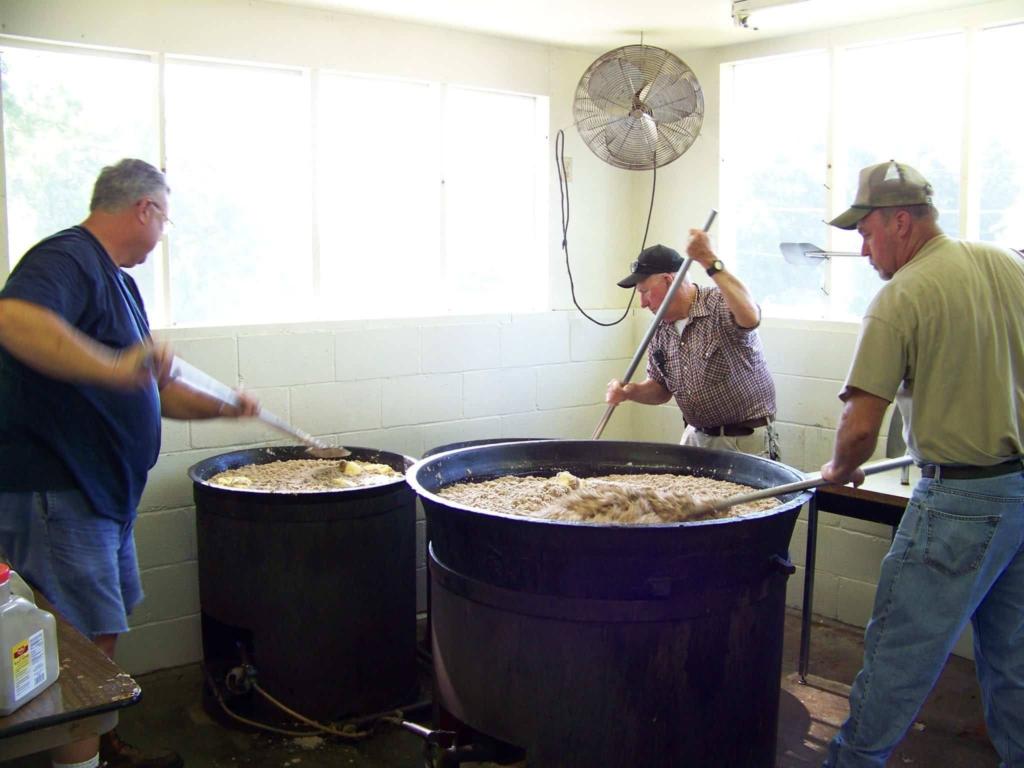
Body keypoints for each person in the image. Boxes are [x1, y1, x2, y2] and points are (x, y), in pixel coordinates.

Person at [0, 159, 259, 768]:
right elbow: (13, 320)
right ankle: (81, 759)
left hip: (103, 494)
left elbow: (153, 390)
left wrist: (225, 408)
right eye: (165, 218)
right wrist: (118, 366)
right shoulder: (67, 257)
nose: (164, 231)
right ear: (145, 209)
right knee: (79, 640)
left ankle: (100, 742)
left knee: (102, 626)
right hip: (59, 490)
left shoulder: (120, 283)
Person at [819, 160, 1024, 768]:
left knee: (897, 658)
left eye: (865, 231)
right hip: (1019, 492)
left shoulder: (901, 295)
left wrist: (837, 469)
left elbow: (859, 427)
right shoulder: (1008, 265)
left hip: (960, 502)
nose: (862, 247)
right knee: (1013, 660)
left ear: (901, 222)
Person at [605, 233, 779, 459]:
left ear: (669, 280)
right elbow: (660, 389)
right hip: (695, 437)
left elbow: (751, 317)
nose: (642, 302)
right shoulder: (660, 329)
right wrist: (629, 392)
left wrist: (708, 259)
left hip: (743, 441)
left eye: (645, 291)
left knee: (749, 496)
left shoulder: (718, 305)